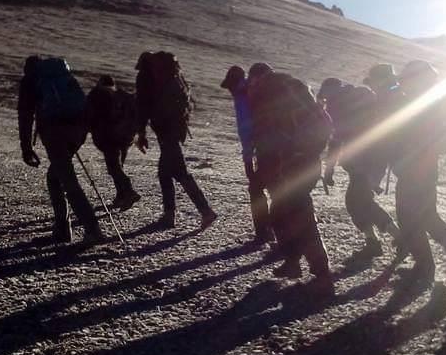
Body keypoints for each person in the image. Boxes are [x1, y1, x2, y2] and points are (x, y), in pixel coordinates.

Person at [364, 61, 446, 290]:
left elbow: (438, 137)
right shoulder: (429, 101)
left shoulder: (425, 103)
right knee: (428, 216)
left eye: (408, 79)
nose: (404, 83)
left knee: (410, 219)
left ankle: (428, 268)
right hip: (421, 169)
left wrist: (414, 151)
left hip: (416, 170)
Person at [248, 63, 333, 284]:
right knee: (287, 212)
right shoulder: (297, 91)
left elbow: (266, 137)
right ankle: (293, 262)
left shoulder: (269, 97)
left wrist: (266, 167)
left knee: (295, 215)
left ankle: (321, 270)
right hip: (307, 162)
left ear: (257, 79)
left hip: (288, 165)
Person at [18, 55, 104, 245]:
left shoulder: (31, 80)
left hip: (54, 132)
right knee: (54, 177)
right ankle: (62, 230)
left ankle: (93, 230)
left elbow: (25, 115)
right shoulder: (63, 76)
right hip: (77, 130)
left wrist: (26, 148)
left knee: (68, 181)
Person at [317, 77, 402, 260]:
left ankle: (398, 238)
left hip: (363, 163)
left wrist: (329, 170)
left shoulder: (338, 106)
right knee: (360, 201)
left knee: (359, 202)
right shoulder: (359, 97)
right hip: (376, 158)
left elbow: (336, 141)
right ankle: (376, 242)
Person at [135, 51, 217, 230]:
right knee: (169, 173)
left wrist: (141, 132)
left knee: (177, 173)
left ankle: (204, 211)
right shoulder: (174, 78)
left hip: (167, 132)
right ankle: (172, 215)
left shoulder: (148, 79)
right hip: (175, 130)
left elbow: (143, 107)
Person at [221, 65, 273, 244]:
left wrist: (247, 158)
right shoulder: (256, 90)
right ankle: (273, 232)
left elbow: (246, 128)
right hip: (279, 144)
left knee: (257, 189)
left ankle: (264, 233)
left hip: (265, 148)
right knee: (275, 188)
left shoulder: (242, 94)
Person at [86, 75, 141, 211]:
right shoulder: (121, 96)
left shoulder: (98, 94)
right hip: (125, 137)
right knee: (117, 167)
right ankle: (121, 196)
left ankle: (128, 191)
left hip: (109, 137)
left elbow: (89, 114)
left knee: (114, 168)